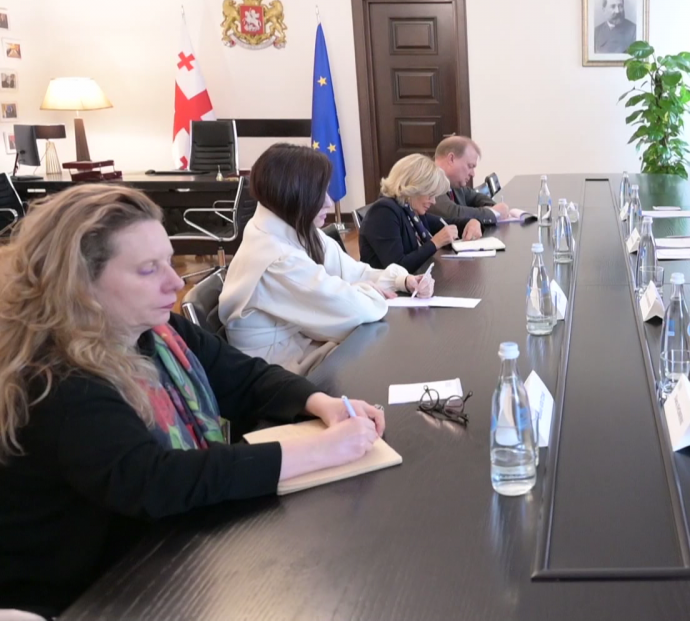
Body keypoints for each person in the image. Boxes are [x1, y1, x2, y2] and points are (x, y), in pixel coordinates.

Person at [0, 184, 387, 618]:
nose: (174, 281)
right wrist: (320, 450)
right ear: (79, 284)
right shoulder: (57, 379)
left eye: (169, 261)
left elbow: (244, 376)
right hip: (83, 592)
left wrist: (321, 403)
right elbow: (157, 481)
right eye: (148, 269)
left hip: (156, 553)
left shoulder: (158, 332)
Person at [220, 143, 434, 375]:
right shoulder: (276, 258)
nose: (330, 203)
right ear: (293, 195)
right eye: (320, 193)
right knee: (399, 356)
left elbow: (354, 272)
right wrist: (364, 290)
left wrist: (403, 280)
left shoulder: (291, 227)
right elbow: (355, 312)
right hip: (280, 373)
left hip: (304, 348)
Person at [359, 154, 459, 271]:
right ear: (414, 188)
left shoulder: (409, 208)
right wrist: (435, 243)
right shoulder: (384, 212)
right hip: (387, 282)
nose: (433, 201)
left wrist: (471, 223)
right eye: (430, 194)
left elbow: (442, 223)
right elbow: (398, 267)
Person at [428, 136, 508, 239]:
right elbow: (452, 213)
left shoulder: (454, 183)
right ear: (451, 159)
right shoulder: (430, 182)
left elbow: (475, 197)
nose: (473, 174)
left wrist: (494, 207)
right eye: (470, 166)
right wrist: (493, 212)